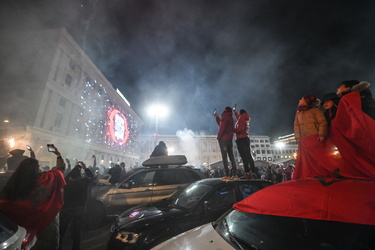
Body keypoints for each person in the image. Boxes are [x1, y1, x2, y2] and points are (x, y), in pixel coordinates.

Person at [0, 146, 66, 249]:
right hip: (47, 230)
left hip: (21, 238)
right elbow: (61, 169)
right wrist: (57, 154)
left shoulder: (13, 186)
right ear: (37, 169)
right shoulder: (48, 179)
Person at [293, 95, 330, 180]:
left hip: (315, 137)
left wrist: (321, 134)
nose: (299, 100)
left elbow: (322, 122)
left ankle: (320, 173)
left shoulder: (316, 110)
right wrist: (298, 137)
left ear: (307, 101)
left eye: (302, 99)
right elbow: (296, 125)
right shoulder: (298, 112)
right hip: (304, 138)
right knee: (306, 157)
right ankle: (308, 174)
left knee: (317, 156)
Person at [59, 161, 94, 250]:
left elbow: (67, 176)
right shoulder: (84, 181)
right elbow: (92, 177)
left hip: (66, 209)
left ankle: (58, 246)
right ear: (80, 175)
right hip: (79, 209)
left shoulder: (66, 182)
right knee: (76, 233)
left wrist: (75, 168)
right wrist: (85, 168)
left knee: (62, 231)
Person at [214, 107, 237, 180]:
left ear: (226, 110)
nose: (222, 109)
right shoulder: (230, 117)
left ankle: (227, 175)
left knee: (224, 157)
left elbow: (222, 128)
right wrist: (217, 117)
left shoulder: (225, 116)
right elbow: (222, 124)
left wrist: (219, 137)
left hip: (224, 139)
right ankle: (235, 174)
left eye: (224, 109)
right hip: (230, 139)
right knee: (231, 156)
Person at [233, 108, 256, 179]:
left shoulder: (241, 119)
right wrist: (234, 111)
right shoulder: (245, 118)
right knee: (248, 156)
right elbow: (238, 118)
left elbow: (240, 129)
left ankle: (247, 173)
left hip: (241, 139)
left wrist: (232, 129)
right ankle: (253, 172)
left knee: (244, 157)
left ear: (241, 113)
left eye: (238, 113)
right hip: (246, 138)